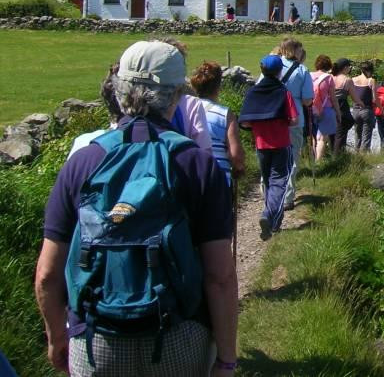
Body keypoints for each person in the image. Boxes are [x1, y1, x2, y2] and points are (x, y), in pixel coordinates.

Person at [36, 41, 237, 377]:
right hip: (178, 332)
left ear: (119, 90)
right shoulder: (196, 164)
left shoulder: (83, 161)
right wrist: (226, 358)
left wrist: (58, 336)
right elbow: (219, 276)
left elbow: (46, 273)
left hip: (96, 336)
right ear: (175, 96)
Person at [241, 55, 298, 240]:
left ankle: (273, 221)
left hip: (261, 144)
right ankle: (268, 215)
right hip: (281, 143)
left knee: (268, 181)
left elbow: (246, 122)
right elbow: (294, 119)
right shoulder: (283, 92)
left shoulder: (253, 92)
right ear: (280, 71)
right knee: (279, 182)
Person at [191, 61, 246, 186]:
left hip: (190, 176)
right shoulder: (225, 114)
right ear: (218, 86)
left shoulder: (185, 110)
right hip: (217, 177)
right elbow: (235, 153)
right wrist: (239, 167)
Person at [276, 38, 313, 210]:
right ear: (294, 50)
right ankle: (287, 197)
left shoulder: (270, 65)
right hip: (294, 118)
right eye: (300, 49)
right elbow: (307, 100)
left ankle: (270, 192)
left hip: (271, 117)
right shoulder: (302, 70)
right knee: (291, 158)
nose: (301, 52)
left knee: (272, 156)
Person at [310, 55, 339, 160]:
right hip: (325, 109)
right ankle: (318, 162)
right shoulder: (329, 78)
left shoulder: (309, 76)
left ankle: (312, 161)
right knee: (322, 138)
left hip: (311, 109)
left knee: (313, 137)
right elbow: (333, 98)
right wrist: (338, 113)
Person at [330, 58, 360, 155]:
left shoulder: (330, 77)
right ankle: (338, 157)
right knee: (341, 134)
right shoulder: (347, 80)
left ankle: (331, 155)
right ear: (345, 67)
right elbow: (355, 98)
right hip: (341, 108)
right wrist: (362, 104)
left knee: (332, 134)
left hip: (329, 107)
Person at [350, 62, 377, 151]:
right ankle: (364, 158)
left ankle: (356, 155)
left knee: (357, 135)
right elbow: (374, 99)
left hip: (355, 110)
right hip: (367, 110)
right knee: (366, 136)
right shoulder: (371, 81)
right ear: (370, 70)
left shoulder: (353, 80)